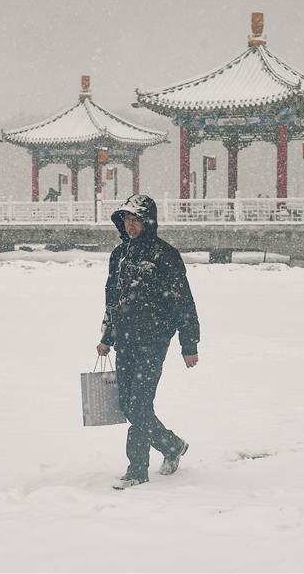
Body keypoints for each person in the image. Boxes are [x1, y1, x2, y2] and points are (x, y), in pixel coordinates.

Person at [96, 194, 200, 490]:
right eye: (127, 220)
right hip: (126, 341)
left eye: (136, 220)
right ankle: (171, 445)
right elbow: (112, 300)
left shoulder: (165, 255)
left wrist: (189, 344)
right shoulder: (119, 255)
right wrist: (107, 337)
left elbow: (184, 302)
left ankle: (137, 469)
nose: (131, 226)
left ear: (148, 222)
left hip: (154, 340)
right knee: (128, 405)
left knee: (140, 405)